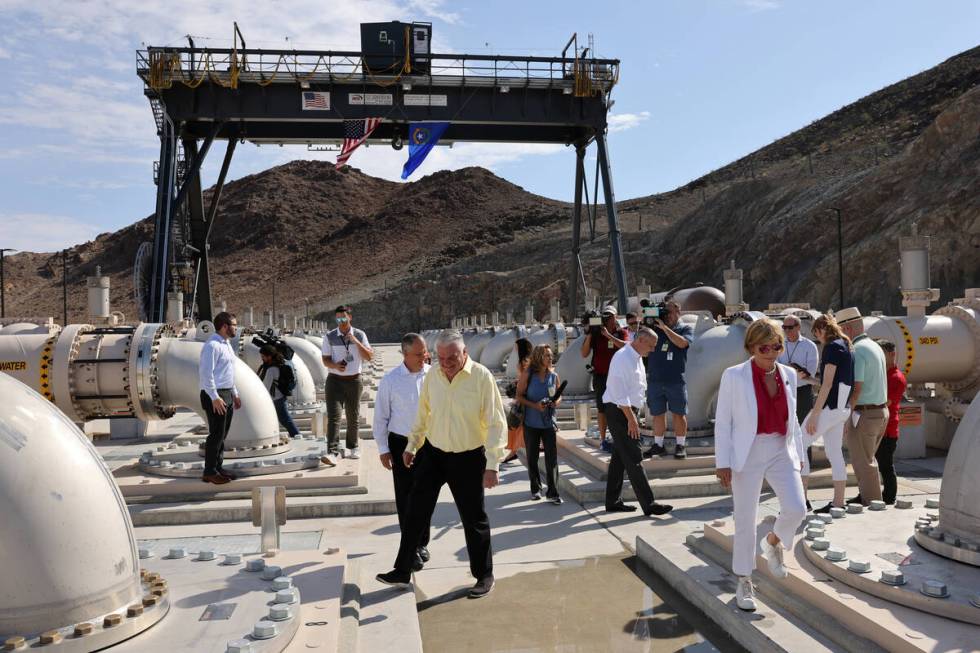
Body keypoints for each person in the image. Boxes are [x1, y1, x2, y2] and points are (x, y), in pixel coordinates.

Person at [376, 330, 507, 599]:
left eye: (452, 357)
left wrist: (492, 464)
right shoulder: (433, 376)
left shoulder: (481, 377)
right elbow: (423, 413)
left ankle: (484, 575)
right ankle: (402, 570)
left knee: (473, 518)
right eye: (441, 357)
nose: (446, 362)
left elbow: (496, 423)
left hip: (468, 458)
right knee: (414, 511)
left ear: (465, 353)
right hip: (434, 455)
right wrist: (412, 446)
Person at [715, 319, 807, 612]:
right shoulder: (734, 376)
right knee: (744, 519)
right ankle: (744, 580)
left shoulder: (789, 374)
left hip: (781, 448)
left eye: (777, 346)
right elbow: (724, 423)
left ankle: (773, 542)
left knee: (797, 508)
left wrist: (800, 454)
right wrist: (723, 462)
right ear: (751, 348)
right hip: (747, 451)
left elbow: (793, 419)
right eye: (763, 347)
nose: (771, 352)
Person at [373, 333, 432, 569]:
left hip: (429, 444)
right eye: (419, 354)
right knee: (406, 496)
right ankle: (411, 546)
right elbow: (380, 418)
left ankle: (422, 542)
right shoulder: (391, 381)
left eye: (425, 352)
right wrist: (383, 449)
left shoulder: (433, 376)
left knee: (426, 494)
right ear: (405, 354)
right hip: (400, 444)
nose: (424, 357)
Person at [603, 326, 674, 518]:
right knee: (634, 457)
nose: (652, 350)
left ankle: (612, 501)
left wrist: (636, 413)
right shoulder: (622, 358)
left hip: (626, 410)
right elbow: (619, 393)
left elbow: (636, 388)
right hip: (619, 411)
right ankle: (649, 504)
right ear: (641, 340)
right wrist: (631, 419)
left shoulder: (636, 357)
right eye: (650, 346)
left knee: (619, 459)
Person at [837, 307, 889, 506]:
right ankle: (868, 498)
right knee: (868, 460)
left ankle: (873, 504)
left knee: (863, 463)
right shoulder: (874, 346)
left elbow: (856, 388)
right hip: (879, 412)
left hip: (865, 414)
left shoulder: (857, 351)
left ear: (848, 329)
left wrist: (846, 417)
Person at [803, 314, 854, 514]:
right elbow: (835, 382)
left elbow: (828, 383)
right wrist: (809, 379)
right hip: (842, 409)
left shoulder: (831, 348)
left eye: (817, 334)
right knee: (834, 453)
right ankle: (838, 502)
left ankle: (800, 502)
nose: (818, 339)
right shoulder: (846, 346)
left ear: (821, 330)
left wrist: (815, 413)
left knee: (798, 444)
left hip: (830, 408)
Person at [643, 301, 694, 459]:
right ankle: (658, 445)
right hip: (655, 379)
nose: (667, 316)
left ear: (678, 311)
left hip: (675, 379)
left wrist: (665, 328)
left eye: (670, 312)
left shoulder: (684, 328)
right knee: (658, 414)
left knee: (679, 413)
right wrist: (646, 324)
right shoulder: (654, 330)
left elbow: (682, 343)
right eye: (665, 313)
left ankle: (680, 445)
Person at [778, 314, 819, 507]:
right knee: (783, 435)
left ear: (799, 327)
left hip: (802, 393)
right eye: (784, 327)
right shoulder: (780, 345)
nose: (786, 331)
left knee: (802, 437)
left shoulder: (809, 346)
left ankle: (804, 488)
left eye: (790, 327)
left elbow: (808, 375)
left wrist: (793, 372)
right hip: (782, 392)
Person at [321, 305, 373, 459]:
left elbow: (369, 356)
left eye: (344, 318)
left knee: (353, 416)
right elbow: (325, 360)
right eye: (338, 318)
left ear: (350, 317)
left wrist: (355, 341)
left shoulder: (360, 334)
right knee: (334, 417)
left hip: (354, 381)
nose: (341, 321)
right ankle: (332, 451)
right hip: (335, 382)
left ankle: (353, 446)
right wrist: (335, 366)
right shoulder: (329, 336)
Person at [198, 312, 241, 485]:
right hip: (214, 395)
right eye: (234, 325)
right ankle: (209, 472)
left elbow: (228, 372)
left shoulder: (227, 345)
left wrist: (235, 393)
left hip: (227, 393)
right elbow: (206, 375)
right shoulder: (212, 346)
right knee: (215, 435)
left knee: (223, 434)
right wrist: (215, 397)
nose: (236, 328)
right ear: (224, 326)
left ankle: (218, 467)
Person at [516, 344, 562, 504]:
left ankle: (553, 492)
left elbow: (558, 395)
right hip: (531, 422)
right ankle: (535, 489)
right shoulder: (528, 374)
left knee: (552, 458)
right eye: (546, 355)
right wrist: (535, 405)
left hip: (549, 422)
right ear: (538, 357)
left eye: (551, 355)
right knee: (532, 457)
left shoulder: (554, 375)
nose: (550, 358)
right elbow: (519, 396)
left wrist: (555, 402)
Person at [580, 306, 628, 445]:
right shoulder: (596, 335)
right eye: (605, 317)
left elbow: (626, 347)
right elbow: (584, 353)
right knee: (602, 408)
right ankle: (603, 439)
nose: (608, 319)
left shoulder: (621, 332)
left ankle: (619, 436)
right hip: (601, 376)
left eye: (610, 316)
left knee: (619, 407)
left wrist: (608, 335)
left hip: (617, 377)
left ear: (616, 317)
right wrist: (590, 333)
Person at [876, 338, 906, 505]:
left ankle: (889, 496)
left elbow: (887, 401)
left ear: (891, 354)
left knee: (886, 465)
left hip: (889, 429)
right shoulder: (883, 374)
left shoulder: (897, 378)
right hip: (882, 426)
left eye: (882, 353)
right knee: (881, 464)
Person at [257, 344, 300, 438]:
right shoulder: (279, 364)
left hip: (276, 398)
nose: (262, 359)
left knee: (285, 419)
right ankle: (296, 434)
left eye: (263, 356)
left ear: (269, 356)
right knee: (284, 419)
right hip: (280, 396)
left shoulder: (271, 369)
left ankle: (297, 435)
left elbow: (265, 387)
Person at [503, 337, 533, 465]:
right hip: (523, 396)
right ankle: (515, 451)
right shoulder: (526, 361)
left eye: (516, 346)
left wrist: (518, 393)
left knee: (516, 425)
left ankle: (515, 451)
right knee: (517, 426)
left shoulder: (524, 362)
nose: (514, 349)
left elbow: (525, 379)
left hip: (523, 398)